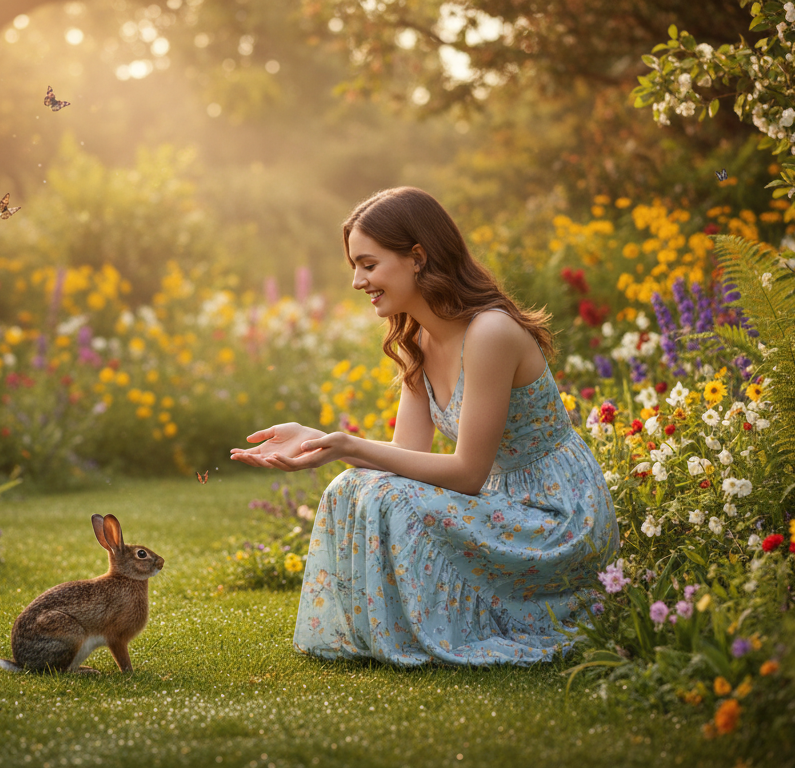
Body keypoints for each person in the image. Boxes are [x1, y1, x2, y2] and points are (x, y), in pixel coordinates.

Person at [230, 187, 618, 666]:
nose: (357, 281)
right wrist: (319, 441)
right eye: (354, 266)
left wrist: (347, 445)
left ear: (417, 257)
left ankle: (442, 630)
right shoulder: (417, 339)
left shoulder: (490, 333)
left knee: (381, 489)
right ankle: (386, 634)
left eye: (368, 265)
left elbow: (467, 473)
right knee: (354, 486)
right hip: (501, 501)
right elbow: (404, 459)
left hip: (557, 515)